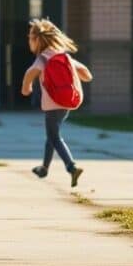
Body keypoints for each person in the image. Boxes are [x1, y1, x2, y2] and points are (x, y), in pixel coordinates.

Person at [21, 18, 93, 188]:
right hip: (66, 104)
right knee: (52, 136)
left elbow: (30, 73)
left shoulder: (43, 58)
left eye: (30, 38)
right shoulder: (63, 56)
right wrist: (84, 77)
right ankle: (44, 168)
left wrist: (26, 88)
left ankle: (72, 167)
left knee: (54, 137)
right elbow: (85, 72)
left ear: (37, 40)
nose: (29, 42)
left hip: (52, 104)